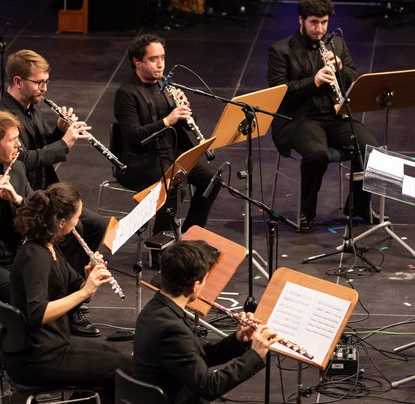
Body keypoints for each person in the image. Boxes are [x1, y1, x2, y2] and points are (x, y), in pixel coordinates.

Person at [1, 49, 105, 336]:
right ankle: (66, 305)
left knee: (97, 225)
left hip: (37, 190)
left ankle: (70, 293)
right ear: (18, 81)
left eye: (46, 82)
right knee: (76, 228)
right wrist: (65, 145)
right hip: (35, 193)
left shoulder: (31, 106)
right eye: (39, 83)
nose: (44, 89)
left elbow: (38, 142)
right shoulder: (6, 116)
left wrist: (59, 131)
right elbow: (24, 159)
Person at [4, 182, 133, 403]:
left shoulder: (52, 247)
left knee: (114, 355)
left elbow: (81, 292)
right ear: (62, 222)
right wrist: (84, 293)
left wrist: (89, 277)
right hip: (36, 357)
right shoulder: (35, 256)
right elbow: (38, 313)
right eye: (77, 217)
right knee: (122, 370)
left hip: (55, 343)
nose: (78, 223)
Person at [267, 0, 386, 232]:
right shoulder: (281, 50)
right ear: (301, 20)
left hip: (334, 115)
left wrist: (340, 68)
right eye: (314, 22)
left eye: (324, 22)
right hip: (299, 119)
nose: (320, 29)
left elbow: (355, 79)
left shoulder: (337, 44)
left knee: (370, 149)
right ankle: (306, 212)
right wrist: (315, 80)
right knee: (316, 154)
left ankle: (358, 205)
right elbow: (279, 92)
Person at [133, 240, 277, 404]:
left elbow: (199, 355)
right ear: (195, 286)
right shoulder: (171, 329)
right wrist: (255, 355)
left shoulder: (156, 308)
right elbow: (209, 387)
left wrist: (238, 340)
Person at [114, 34, 220, 235]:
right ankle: (159, 243)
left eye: (162, 58)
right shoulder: (126, 93)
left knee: (213, 179)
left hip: (173, 154)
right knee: (174, 188)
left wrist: (185, 111)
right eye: (153, 59)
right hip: (143, 160)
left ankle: (191, 232)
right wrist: (166, 121)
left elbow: (186, 126)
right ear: (137, 62)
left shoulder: (164, 84)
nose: (161, 64)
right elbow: (133, 137)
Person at [0, 112, 31, 303]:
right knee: (20, 294)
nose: (19, 145)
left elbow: (38, 209)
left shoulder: (17, 168)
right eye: (12, 140)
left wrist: (17, 199)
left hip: (16, 252)